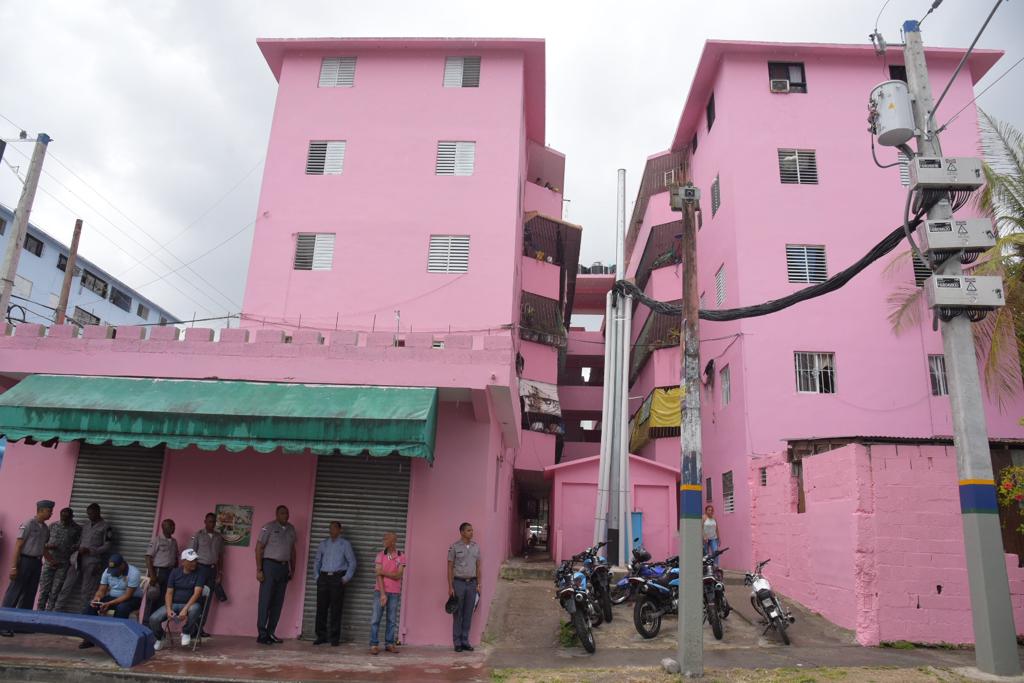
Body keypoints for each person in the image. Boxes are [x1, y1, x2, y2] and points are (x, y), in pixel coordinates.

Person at [57, 502, 114, 612]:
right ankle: (57, 609)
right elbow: (81, 541)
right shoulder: (86, 525)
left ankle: (84, 613)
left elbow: (107, 546)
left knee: (87, 590)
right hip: (77, 559)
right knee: (67, 585)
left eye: (92, 514)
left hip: (92, 561)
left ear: (98, 512)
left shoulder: (106, 527)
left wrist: (91, 550)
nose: (90, 516)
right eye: (88, 514)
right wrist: (76, 546)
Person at [78, 553, 143, 649]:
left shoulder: (134, 573)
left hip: (132, 599)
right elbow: (102, 590)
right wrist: (97, 598)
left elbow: (127, 595)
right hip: (113, 597)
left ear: (122, 565)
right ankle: (89, 639)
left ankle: (117, 639)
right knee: (90, 606)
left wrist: (108, 604)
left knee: (122, 608)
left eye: (116, 569)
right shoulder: (107, 572)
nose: (113, 572)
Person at [2, 500, 54, 616]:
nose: (51, 514)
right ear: (41, 511)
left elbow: (43, 547)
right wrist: (14, 567)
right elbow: (18, 545)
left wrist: (51, 560)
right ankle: (4, 622)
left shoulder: (45, 528)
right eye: (49, 511)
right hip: (24, 561)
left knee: (30, 593)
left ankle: (22, 623)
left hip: (37, 563)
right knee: (15, 592)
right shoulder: (28, 524)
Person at [255, 505, 297, 645]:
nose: (286, 515)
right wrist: (259, 569)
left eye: (287, 513)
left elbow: (292, 550)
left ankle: (271, 632)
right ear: (277, 514)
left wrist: (293, 568)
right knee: (265, 601)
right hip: (269, 566)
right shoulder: (268, 527)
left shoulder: (291, 529)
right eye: (283, 513)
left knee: (278, 602)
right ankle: (262, 634)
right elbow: (259, 548)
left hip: (284, 568)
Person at [149, 548, 205, 650]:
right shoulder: (175, 572)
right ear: (183, 562)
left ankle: (186, 632)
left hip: (191, 604)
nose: (194, 563)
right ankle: (160, 638)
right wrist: (169, 609)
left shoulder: (200, 573)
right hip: (173, 604)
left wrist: (185, 609)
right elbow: (169, 593)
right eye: (191, 561)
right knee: (153, 619)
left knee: (196, 609)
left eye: (195, 560)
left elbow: (197, 594)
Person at [312, 520, 356, 646]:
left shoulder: (345, 544)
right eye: (330, 528)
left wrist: (345, 578)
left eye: (335, 528)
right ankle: (321, 636)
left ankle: (334, 638)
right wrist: (317, 577)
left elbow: (352, 562)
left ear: (340, 530)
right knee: (321, 608)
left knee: (336, 609)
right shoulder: (323, 544)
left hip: (337, 578)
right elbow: (317, 561)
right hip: (324, 578)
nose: (332, 531)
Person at [38, 506, 82, 611]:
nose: (64, 520)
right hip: (49, 562)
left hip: (63, 564)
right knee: (44, 590)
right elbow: (42, 544)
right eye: (63, 517)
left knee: (55, 591)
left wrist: (74, 547)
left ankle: (49, 614)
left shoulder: (77, 529)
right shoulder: (52, 526)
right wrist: (49, 546)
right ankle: (39, 613)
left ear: (72, 517)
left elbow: (79, 544)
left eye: (67, 518)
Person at [447, 522, 481, 653]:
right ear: (461, 532)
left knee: (468, 613)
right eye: (468, 530)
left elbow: (478, 566)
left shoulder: (476, 547)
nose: (471, 532)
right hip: (459, 583)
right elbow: (449, 567)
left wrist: (478, 584)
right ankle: (457, 642)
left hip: (472, 583)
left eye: (472, 530)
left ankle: (465, 641)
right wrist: (450, 586)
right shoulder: (454, 547)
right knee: (458, 613)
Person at [189, 512, 225, 638]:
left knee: (207, 600)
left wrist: (220, 572)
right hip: (200, 569)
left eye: (214, 522)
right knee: (197, 598)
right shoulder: (198, 535)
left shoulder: (219, 537)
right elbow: (191, 554)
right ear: (205, 521)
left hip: (212, 569)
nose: (212, 524)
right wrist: (192, 571)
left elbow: (220, 556)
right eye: (209, 521)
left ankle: (200, 628)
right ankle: (191, 628)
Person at [369, 531, 404, 655]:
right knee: (375, 619)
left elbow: (399, 575)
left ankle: (389, 644)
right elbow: (378, 576)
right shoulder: (380, 555)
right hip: (380, 592)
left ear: (393, 541)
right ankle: (373, 644)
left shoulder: (400, 556)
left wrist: (383, 572)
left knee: (391, 620)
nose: (384, 540)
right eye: (384, 538)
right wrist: (383, 594)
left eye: (387, 538)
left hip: (394, 593)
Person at [145, 519, 179, 609]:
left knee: (165, 597)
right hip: (159, 571)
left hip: (170, 572)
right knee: (153, 596)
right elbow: (148, 557)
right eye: (170, 526)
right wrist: (152, 575)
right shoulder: (157, 540)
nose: (173, 528)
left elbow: (176, 558)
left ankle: (157, 621)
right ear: (163, 527)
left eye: (174, 526)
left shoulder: (174, 541)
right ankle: (146, 621)